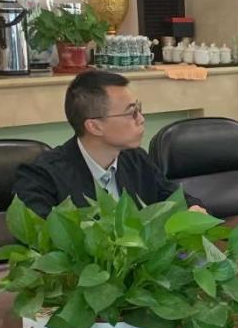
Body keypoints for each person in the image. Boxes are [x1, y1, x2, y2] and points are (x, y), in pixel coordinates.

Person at [15, 70, 206, 217]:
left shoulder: (136, 159)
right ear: (94, 126)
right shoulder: (42, 176)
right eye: (131, 112)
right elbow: (39, 241)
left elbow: (175, 198)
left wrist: (193, 209)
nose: (141, 119)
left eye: (139, 109)